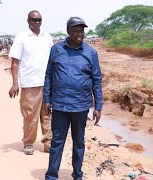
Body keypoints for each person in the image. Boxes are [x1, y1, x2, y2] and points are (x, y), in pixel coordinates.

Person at [44, 17, 103, 180]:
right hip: (60, 105)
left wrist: (98, 106)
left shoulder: (91, 52)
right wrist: (47, 98)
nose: (80, 34)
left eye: (82, 31)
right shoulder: (56, 50)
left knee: (79, 142)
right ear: (68, 31)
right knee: (57, 142)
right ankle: (51, 176)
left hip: (80, 105)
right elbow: (49, 74)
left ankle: (77, 174)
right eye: (76, 30)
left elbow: (97, 79)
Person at [8, 10, 53, 155]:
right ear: (28, 21)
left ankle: (48, 143)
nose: (37, 22)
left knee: (48, 115)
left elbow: (53, 60)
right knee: (30, 116)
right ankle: (28, 142)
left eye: (39, 20)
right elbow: (15, 62)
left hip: (47, 83)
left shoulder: (47, 37)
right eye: (34, 20)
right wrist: (15, 83)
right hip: (29, 84)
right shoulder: (21, 37)